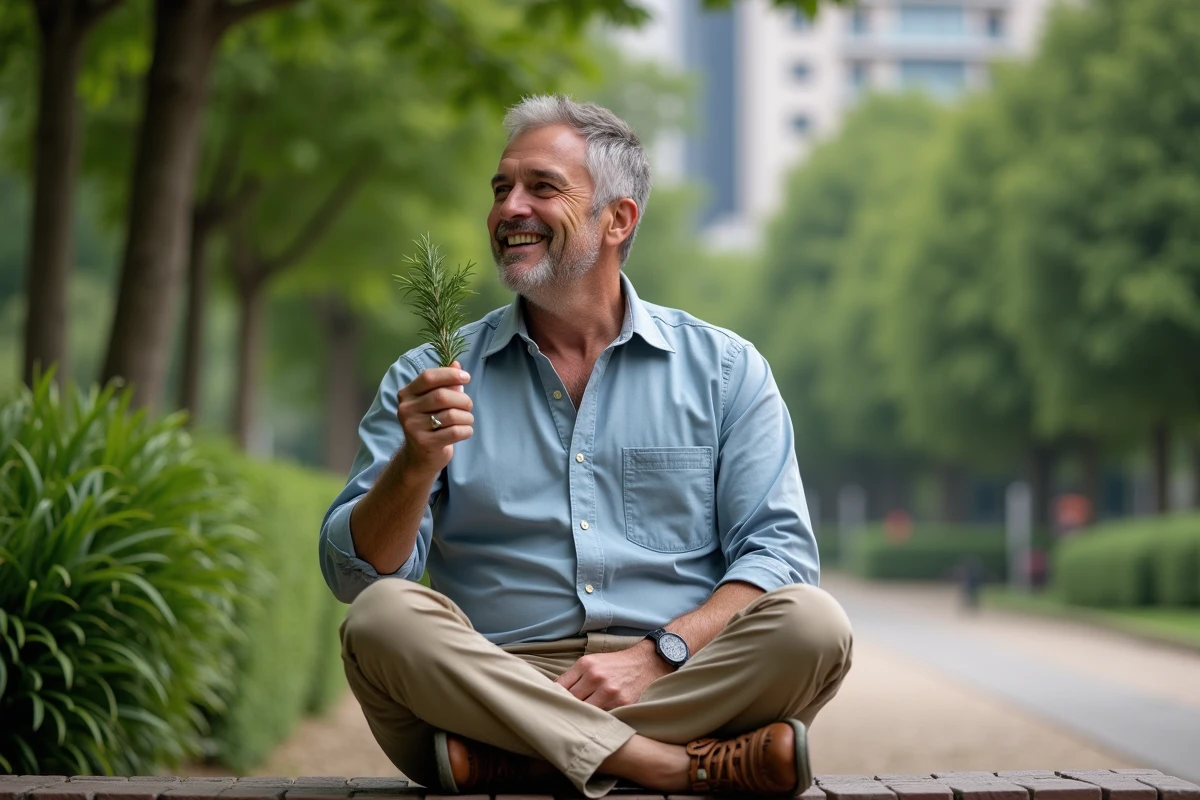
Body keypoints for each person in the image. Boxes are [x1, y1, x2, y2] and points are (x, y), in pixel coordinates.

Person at [318, 95, 853, 798]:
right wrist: (415, 464)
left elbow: (779, 554)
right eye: (502, 188)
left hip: (667, 673)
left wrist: (661, 654)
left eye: (541, 187)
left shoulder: (726, 371)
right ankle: (667, 764)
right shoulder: (433, 379)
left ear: (618, 219)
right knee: (383, 619)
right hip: (497, 674)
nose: (509, 207)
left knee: (814, 625)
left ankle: (526, 758)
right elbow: (354, 575)